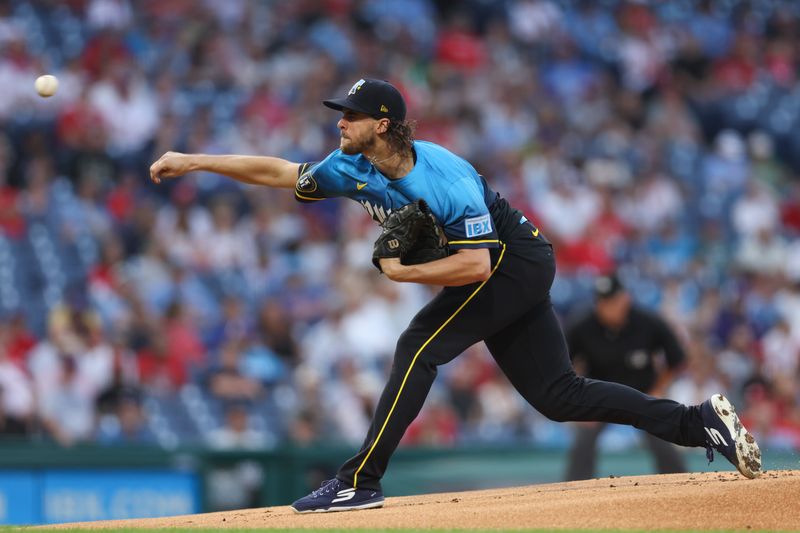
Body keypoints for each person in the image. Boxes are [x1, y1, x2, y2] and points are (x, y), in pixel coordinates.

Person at [149, 78, 762, 513]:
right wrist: (194, 162)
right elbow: (283, 173)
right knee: (558, 396)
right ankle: (701, 423)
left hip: (512, 263)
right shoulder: (351, 164)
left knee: (419, 346)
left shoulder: (441, 178)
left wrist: (400, 273)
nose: (340, 122)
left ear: (382, 124)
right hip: (494, 267)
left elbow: (474, 264)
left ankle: (359, 481)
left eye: (351, 114)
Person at [564, 274, 687, 480]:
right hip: (599, 395)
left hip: (642, 394)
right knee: (584, 438)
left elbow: (677, 358)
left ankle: (680, 483)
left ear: (625, 299)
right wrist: (578, 399)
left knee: (662, 435)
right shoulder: (582, 326)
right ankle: (574, 490)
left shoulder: (647, 322)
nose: (606, 307)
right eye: (602, 302)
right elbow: (562, 361)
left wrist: (659, 389)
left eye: (612, 301)